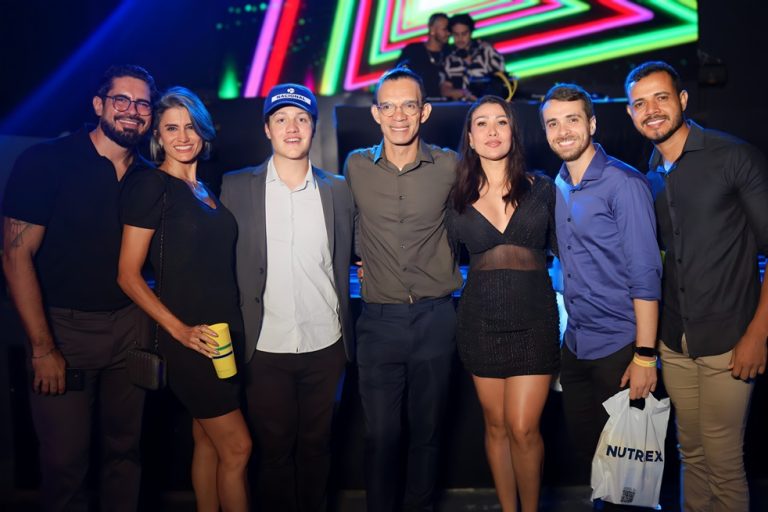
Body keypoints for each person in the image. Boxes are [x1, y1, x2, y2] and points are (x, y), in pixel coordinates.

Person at [1, 64, 155, 511]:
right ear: (99, 105)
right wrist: (43, 348)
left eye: (142, 103)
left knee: (125, 453)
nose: (132, 110)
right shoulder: (47, 161)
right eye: (121, 100)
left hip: (131, 329)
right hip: (63, 331)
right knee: (65, 463)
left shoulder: (149, 176)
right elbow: (14, 256)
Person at [625, 61, 768, 512]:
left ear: (683, 100)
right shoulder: (650, 175)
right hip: (674, 343)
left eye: (661, 98)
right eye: (640, 103)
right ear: (630, 113)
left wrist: (758, 334)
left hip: (730, 340)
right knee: (691, 452)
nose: (651, 110)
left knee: (723, 460)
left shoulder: (733, 157)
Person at [220, 83, 354, 511]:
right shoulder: (235, 187)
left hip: (326, 344)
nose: (291, 128)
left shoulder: (338, 190)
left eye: (301, 119)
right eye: (281, 119)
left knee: (317, 448)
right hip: (264, 346)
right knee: (273, 454)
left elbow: (353, 251)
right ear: (267, 128)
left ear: (314, 127)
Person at [117, 86, 251, 512]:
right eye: (171, 128)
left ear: (203, 130)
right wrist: (180, 332)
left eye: (190, 126)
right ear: (157, 134)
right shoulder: (151, 185)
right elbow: (127, 275)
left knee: (207, 442)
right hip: (190, 340)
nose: (182, 136)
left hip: (223, 335)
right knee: (238, 448)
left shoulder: (204, 189)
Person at [344, 66, 463, 512]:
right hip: (378, 321)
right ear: (375, 113)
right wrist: (358, 253)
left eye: (408, 106)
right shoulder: (356, 166)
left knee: (427, 435)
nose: (399, 116)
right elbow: (348, 223)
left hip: (436, 318)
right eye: (388, 106)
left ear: (424, 112)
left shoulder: (449, 165)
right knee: (380, 435)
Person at [539, 83, 662, 507]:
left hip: (622, 349)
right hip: (576, 348)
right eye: (553, 123)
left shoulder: (623, 183)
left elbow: (646, 275)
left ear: (591, 124)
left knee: (631, 480)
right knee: (595, 466)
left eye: (572, 120)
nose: (563, 131)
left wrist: (645, 356)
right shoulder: (557, 185)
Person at [446, 95, 559, 512]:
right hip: (480, 323)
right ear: (470, 137)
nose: (492, 131)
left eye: (501, 122)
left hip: (535, 322)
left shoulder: (543, 188)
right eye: (482, 123)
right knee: (495, 426)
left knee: (523, 427)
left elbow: (571, 250)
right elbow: (431, 251)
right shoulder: (456, 197)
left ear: (514, 131)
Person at [440, 13, 505, 101]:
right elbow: (444, 89)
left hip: (488, 104)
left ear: (471, 33)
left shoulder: (487, 51)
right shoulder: (448, 59)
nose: (460, 38)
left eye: (464, 34)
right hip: (460, 107)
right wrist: (462, 93)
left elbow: (502, 80)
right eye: (456, 34)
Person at [396, 12, 451, 99]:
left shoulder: (449, 52)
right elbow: (398, 75)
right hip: (417, 102)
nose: (448, 33)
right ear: (432, 30)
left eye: (449, 30)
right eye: (445, 29)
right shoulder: (413, 50)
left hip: (445, 104)